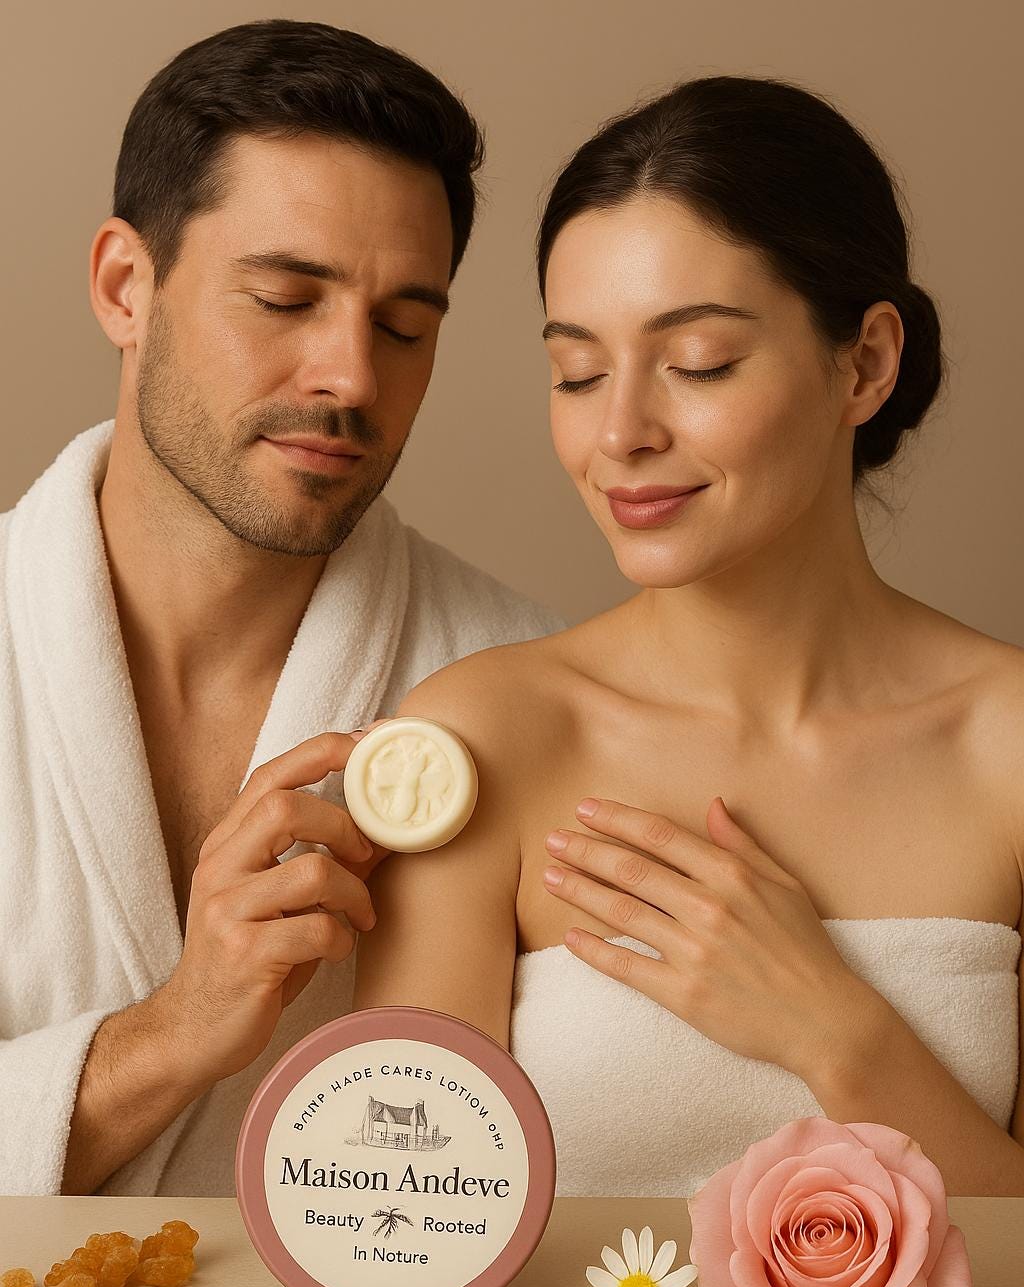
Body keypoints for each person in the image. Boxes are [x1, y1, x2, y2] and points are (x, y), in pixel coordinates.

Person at [353, 74, 1024, 1199]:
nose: (619, 431)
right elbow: (396, 1236)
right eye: (577, 373)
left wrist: (835, 1032)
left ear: (865, 363)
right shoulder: (485, 743)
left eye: (698, 362)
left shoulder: (1008, 748)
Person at [0, 20, 563, 1197]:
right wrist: (178, 1029)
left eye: (404, 327)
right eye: (283, 298)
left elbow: (578, 1164)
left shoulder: (522, 686)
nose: (351, 376)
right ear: (125, 287)